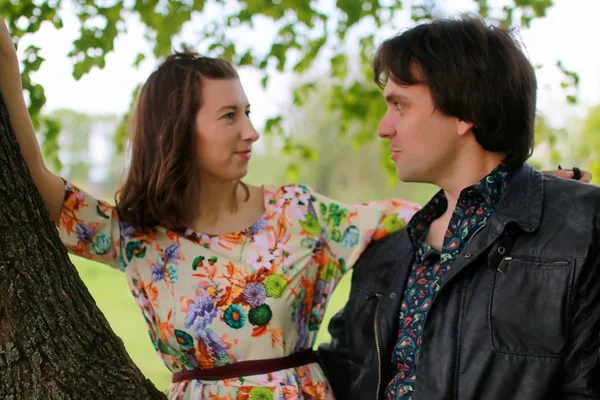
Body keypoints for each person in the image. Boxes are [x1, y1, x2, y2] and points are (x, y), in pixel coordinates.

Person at [0, 16, 590, 400]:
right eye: (230, 116)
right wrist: (6, 63)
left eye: (249, 112)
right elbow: (35, 183)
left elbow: (450, 213)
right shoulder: (135, 236)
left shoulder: (301, 216)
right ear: (177, 131)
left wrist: (530, 185)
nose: (251, 131)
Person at [318, 15, 600, 400]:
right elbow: (339, 377)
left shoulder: (583, 225)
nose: (384, 127)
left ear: (467, 111)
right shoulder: (387, 253)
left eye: (400, 105)